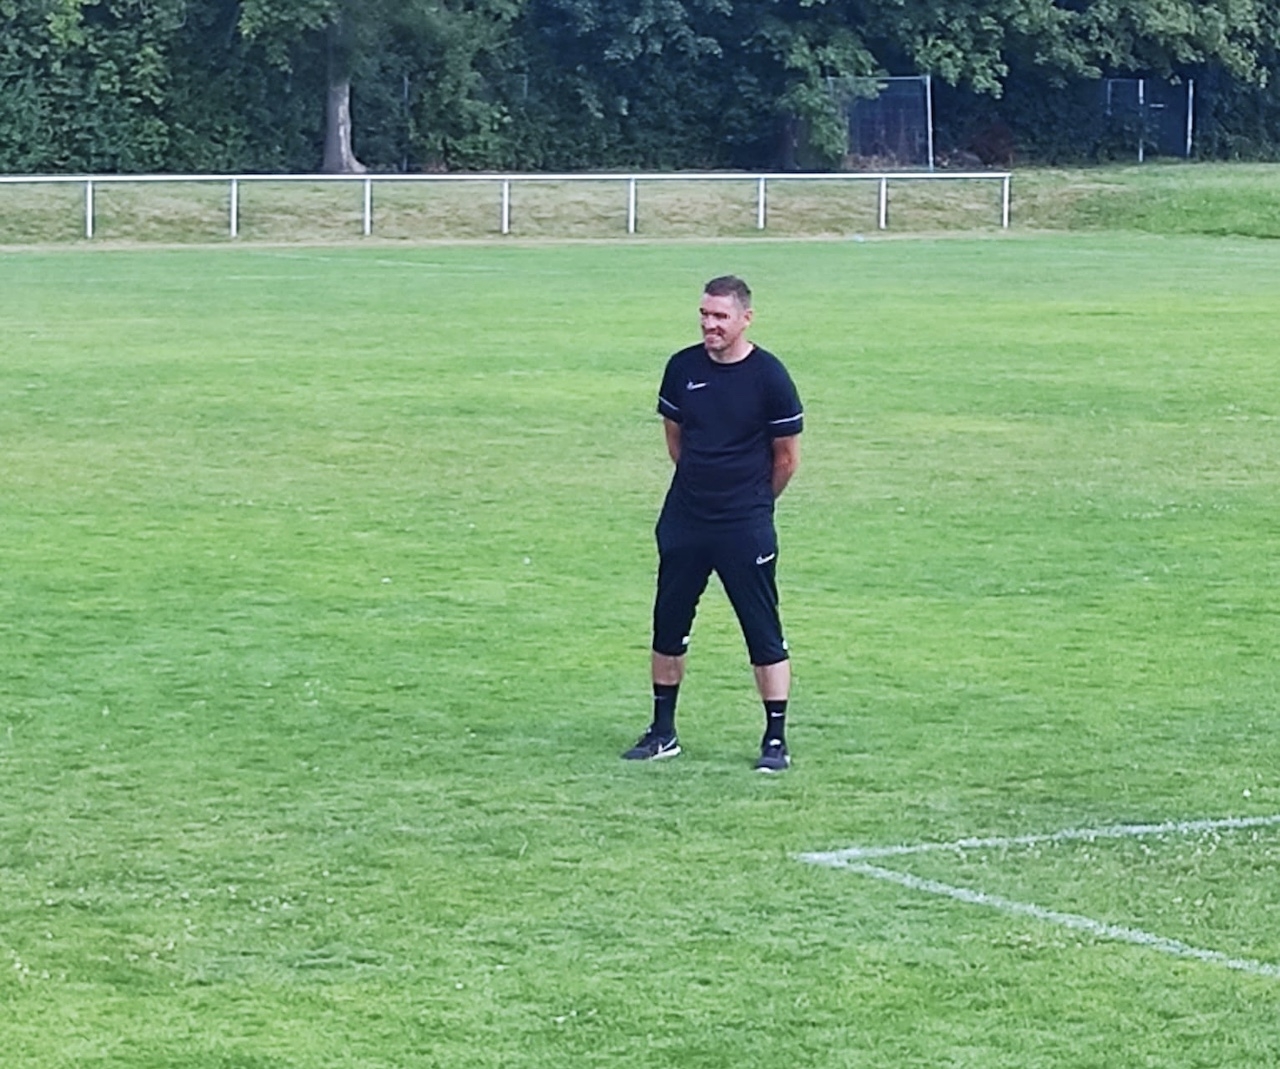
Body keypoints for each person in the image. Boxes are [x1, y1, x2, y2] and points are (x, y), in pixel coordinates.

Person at [623, 275, 803, 772]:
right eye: (704, 315)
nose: (710, 324)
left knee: (762, 630)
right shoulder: (682, 368)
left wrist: (752, 502)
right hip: (685, 520)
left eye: (720, 316)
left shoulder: (770, 377)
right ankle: (663, 732)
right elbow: (676, 439)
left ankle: (774, 739)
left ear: (746, 318)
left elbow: (786, 458)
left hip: (744, 523)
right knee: (668, 624)